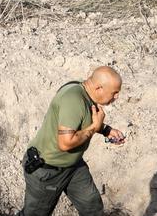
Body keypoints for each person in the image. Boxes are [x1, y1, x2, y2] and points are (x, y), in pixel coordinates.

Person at [21, 66, 125, 216]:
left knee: (93, 207)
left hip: (73, 166)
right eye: (114, 93)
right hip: (48, 169)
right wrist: (95, 127)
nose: (116, 97)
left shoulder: (86, 93)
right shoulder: (73, 99)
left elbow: (81, 121)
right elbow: (65, 143)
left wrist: (106, 130)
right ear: (99, 88)